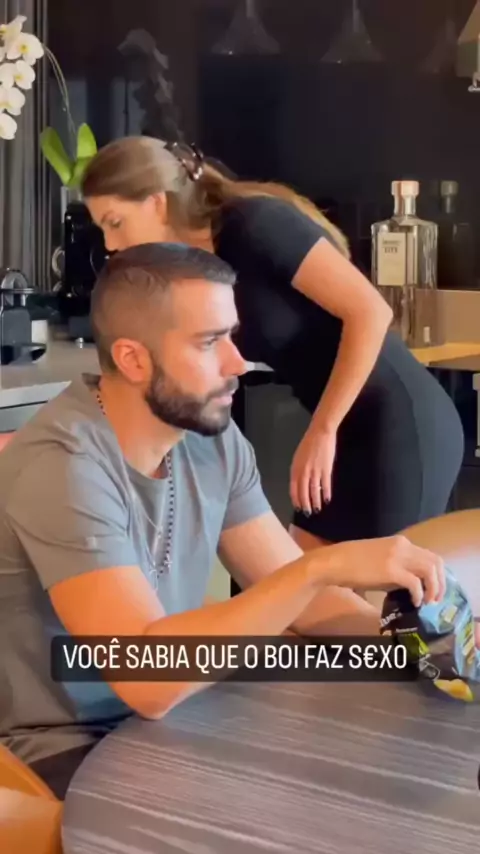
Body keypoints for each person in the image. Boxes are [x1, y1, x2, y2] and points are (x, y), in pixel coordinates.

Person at [0, 242, 445, 799]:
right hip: (61, 752)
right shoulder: (65, 467)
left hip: (175, 718)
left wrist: (426, 649)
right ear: (134, 359)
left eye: (232, 336)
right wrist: (321, 567)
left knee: (367, 777)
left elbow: (305, 602)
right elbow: (147, 679)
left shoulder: (207, 438)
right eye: (210, 342)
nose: (238, 362)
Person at [80, 136, 465, 552]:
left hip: (399, 424)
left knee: (383, 589)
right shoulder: (196, 265)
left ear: (157, 203)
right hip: (342, 428)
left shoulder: (254, 224)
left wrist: (323, 430)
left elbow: (371, 312)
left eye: (115, 222)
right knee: (304, 581)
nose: (110, 244)